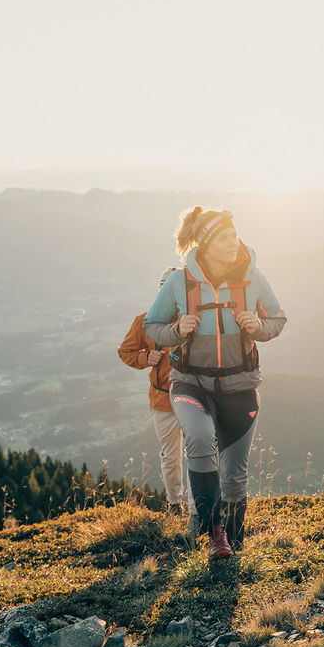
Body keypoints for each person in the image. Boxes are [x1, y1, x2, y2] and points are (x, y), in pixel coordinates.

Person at [143, 207, 287, 560]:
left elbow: (278, 319)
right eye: (224, 236)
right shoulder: (180, 282)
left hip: (241, 384)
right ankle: (213, 533)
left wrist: (258, 327)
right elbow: (151, 326)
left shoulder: (254, 279)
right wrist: (177, 331)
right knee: (200, 440)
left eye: (234, 234)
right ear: (206, 244)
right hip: (191, 384)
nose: (232, 241)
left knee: (236, 473)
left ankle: (234, 543)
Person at [118, 267, 189, 516]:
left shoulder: (192, 320)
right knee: (171, 456)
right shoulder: (144, 320)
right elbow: (125, 352)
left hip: (192, 395)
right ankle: (174, 505)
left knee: (196, 452)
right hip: (162, 398)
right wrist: (146, 357)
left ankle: (195, 506)